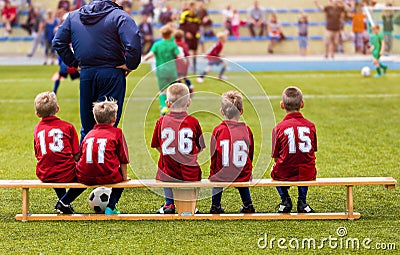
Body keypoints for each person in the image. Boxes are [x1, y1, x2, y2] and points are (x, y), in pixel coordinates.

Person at [52, 0, 142, 141]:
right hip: (112, 72)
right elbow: (134, 42)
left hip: (87, 73)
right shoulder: (119, 16)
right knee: (108, 125)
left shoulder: (73, 16)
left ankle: (86, 160)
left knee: (87, 126)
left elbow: (58, 42)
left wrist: (75, 63)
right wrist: (130, 64)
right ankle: (107, 160)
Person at [151, 83, 205, 214]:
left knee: (163, 166)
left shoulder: (161, 121)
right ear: (188, 102)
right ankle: (190, 205)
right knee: (195, 170)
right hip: (189, 169)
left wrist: (168, 154)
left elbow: (157, 145)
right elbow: (201, 146)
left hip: (168, 169)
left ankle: (169, 204)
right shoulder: (193, 121)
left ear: (168, 103)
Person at [33, 91, 85, 214]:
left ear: (37, 114)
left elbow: (37, 154)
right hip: (67, 173)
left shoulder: (37, 129)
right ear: (57, 109)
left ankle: (64, 204)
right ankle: (64, 201)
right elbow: (76, 155)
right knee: (87, 176)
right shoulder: (68, 127)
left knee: (53, 165)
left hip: (44, 173)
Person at [76, 99, 130, 215]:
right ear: (114, 119)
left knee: (87, 173)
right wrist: (124, 178)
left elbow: (80, 154)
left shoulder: (89, 134)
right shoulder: (117, 133)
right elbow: (123, 158)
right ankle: (111, 207)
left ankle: (65, 200)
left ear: (95, 118)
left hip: (84, 176)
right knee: (120, 180)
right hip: (108, 175)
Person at [271, 86, 317, 213]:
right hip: (307, 172)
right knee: (307, 164)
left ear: (282, 105)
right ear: (302, 104)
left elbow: (275, 156)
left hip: (285, 172)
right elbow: (311, 152)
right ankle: (302, 201)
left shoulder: (278, 128)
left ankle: (285, 200)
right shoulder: (311, 126)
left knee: (274, 169)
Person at [209, 91, 255, 214]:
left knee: (217, 178)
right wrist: (248, 170)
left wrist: (213, 172)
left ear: (222, 111)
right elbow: (250, 153)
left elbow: (213, 154)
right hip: (242, 173)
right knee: (242, 174)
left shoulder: (218, 130)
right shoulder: (246, 130)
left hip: (222, 174)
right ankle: (248, 204)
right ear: (241, 111)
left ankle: (215, 205)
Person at [144, 24, 182, 115]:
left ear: (161, 35)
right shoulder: (173, 44)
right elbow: (180, 56)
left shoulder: (157, 44)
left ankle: (164, 107)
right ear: (171, 34)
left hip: (161, 71)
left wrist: (144, 59)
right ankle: (176, 108)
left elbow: (150, 54)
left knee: (162, 91)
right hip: (172, 71)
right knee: (174, 90)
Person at [179, 1, 201, 74]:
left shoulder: (197, 16)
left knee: (195, 52)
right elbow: (181, 26)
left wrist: (198, 32)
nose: (195, 8)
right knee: (187, 53)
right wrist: (186, 33)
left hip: (195, 38)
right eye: (194, 7)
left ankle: (195, 69)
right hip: (187, 37)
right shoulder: (184, 15)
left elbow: (198, 26)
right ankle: (186, 68)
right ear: (190, 7)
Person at [174, 29, 194, 94]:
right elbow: (187, 54)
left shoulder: (173, 43)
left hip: (176, 62)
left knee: (178, 77)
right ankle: (190, 86)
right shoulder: (184, 44)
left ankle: (180, 90)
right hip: (184, 62)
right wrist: (189, 63)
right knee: (184, 76)